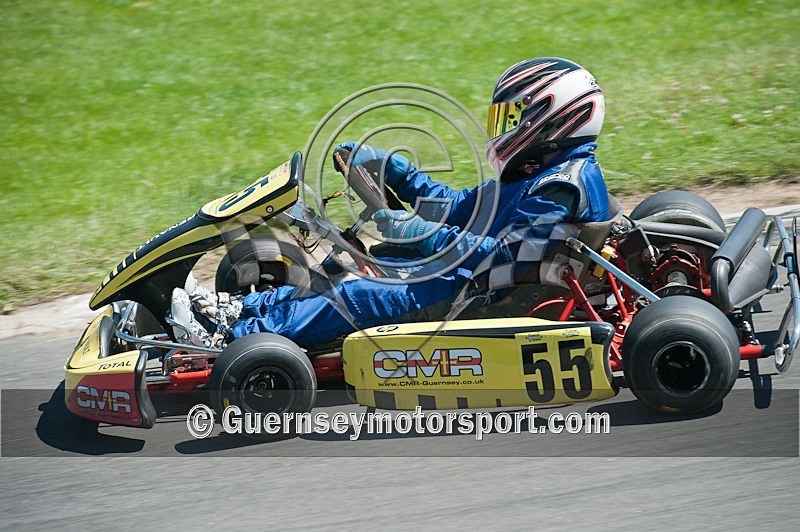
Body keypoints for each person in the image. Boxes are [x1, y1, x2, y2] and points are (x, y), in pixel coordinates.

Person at [171, 57, 610, 348]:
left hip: (487, 299)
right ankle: (237, 311)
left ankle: (234, 339)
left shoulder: (562, 186)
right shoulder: (535, 174)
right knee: (356, 264)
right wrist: (396, 172)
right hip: (469, 280)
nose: (503, 128)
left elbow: (509, 259)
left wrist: (423, 234)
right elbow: (459, 208)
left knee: (359, 293)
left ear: (552, 116)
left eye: (512, 117)